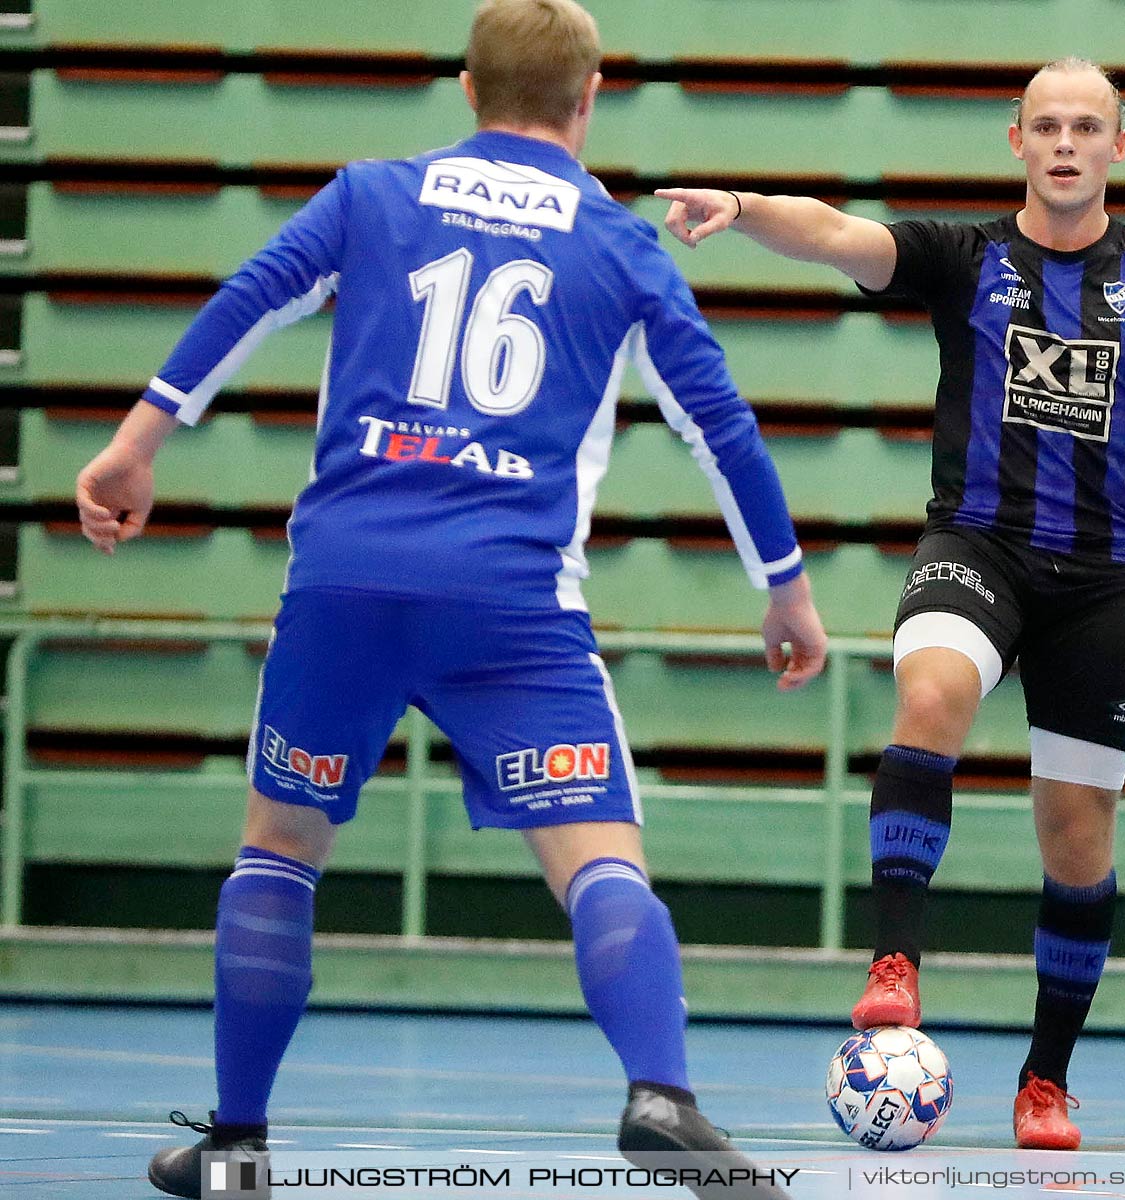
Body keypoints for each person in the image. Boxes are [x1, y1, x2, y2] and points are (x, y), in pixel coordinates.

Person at [74, 2, 824, 1197]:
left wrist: (135, 446)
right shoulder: (622, 245)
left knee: (279, 853)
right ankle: (662, 1098)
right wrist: (784, 589)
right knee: (599, 863)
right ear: (590, 99)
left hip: (348, 580)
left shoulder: (373, 195)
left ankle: (239, 1148)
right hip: (512, 600)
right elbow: (717, 426)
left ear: (468, 87)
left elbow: (251, 296)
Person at [657, 57, 1125, 1151]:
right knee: (933, 690)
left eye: (1086, 127)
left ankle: (1044, 1081)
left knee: (1076, 839)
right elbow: (834, 234)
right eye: (1045, 124)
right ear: (1016, 141)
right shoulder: (967, 258)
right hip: (978, 547)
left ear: (1117, 148)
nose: (1064, 143)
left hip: (1101, 585)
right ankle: (894, 963)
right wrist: (746, 209)